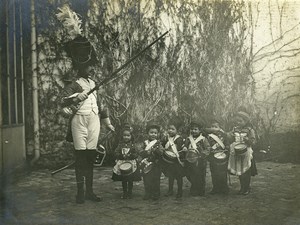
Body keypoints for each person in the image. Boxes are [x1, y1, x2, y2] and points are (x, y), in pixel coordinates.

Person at [60, 64, 115, 204]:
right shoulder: (73, 84)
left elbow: (101, 105)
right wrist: (76, 97)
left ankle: (90, 192)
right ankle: (80, 193)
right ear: (80, 67)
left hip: (94, 121)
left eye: (92, 66)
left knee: (90, 157)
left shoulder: (94, 84)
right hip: (79, 121)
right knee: (80, 157)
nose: (92, 69)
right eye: (88, 66)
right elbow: (62, 101)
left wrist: (107, 123)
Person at [223, 110, 258, 195]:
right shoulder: (235, 129)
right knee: (240, 170)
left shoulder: (250, 130)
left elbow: (254, 141)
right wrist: (224, 134)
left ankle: (246, 188)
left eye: (240, 121)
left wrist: (248, 140)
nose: (238, 123)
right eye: (237, 121)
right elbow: (230, 137)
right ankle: (243, 187)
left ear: (246, 121)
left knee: (246, 170)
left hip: (246, 152)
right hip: (236, 151)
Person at [112, 124, 141, 199]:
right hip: (122, 163)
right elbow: (116, 152)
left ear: (131, 136)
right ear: (122, 136)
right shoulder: (120, 145)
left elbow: (136, 153)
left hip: (131, 163)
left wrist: (131, 155)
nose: (126, 137)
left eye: (128, 135)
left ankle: (130, 192)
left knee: (130, 178)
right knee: (124, 179)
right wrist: (120, 156)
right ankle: (125, 192)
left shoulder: (133, 145)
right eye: (124, 135)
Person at [183, 120, 210, 196]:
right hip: (190, 160)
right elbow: (185, 146)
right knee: (190, 174)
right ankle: (194, 187)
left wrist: (202, 154)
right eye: (192, 129)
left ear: (200, 130)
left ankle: (201, 190)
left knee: (200, 175)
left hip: (200, 160)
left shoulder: (203, 139)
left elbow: (208, 149)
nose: (193, 131)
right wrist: (185, 148)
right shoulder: (188, 139)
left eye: (195, 129)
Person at [161, 121, 185, 199]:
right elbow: (163, 146)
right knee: (170, 176)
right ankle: (170, 190)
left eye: (173, 129)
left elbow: (180, 149)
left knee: (179, 177)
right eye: (169, 129)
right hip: (169, 161)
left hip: (177, 161)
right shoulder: (165, 138)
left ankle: (180, 192)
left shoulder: (179, 139)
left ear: (176, 130)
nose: (170, 130)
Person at [139, 123, 163, 201]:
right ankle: (148, 193)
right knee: (146, 179)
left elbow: (161, 152)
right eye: (151, 132)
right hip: (146, 163)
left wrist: (155, 150)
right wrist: (147, 152)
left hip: (156, 164)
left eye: (155, 133)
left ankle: (156, 194)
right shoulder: (144, 143)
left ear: (158, 134)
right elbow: (140, 151)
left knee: (156, 179)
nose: (153, 134)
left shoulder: (158, 143)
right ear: (147, 133)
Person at [206, 120, 229, 195]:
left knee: (223, 173)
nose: (213, 128)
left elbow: (227, 144)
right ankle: (215, 188)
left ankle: (224, 188)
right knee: (214, 173)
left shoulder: (224, 136)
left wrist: (227, 148)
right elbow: (208, 146)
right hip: (213, 157)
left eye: (216, 127)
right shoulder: (209, 136)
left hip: (222, 156)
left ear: (220, 128)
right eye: (212, 126)